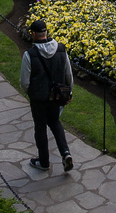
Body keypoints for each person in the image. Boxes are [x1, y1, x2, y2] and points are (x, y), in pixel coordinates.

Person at [20, 19, 73, 173]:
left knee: (40, 128)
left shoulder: (30, 55)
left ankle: (44, 162)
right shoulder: (61, 49)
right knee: (55, 123)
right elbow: (68, 74)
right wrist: (68, 93)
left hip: (39, 98)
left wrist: (31, 92)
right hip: (56, 97)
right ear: (46, 32)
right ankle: (66, 153)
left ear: (34, 34)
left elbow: (24, 82)